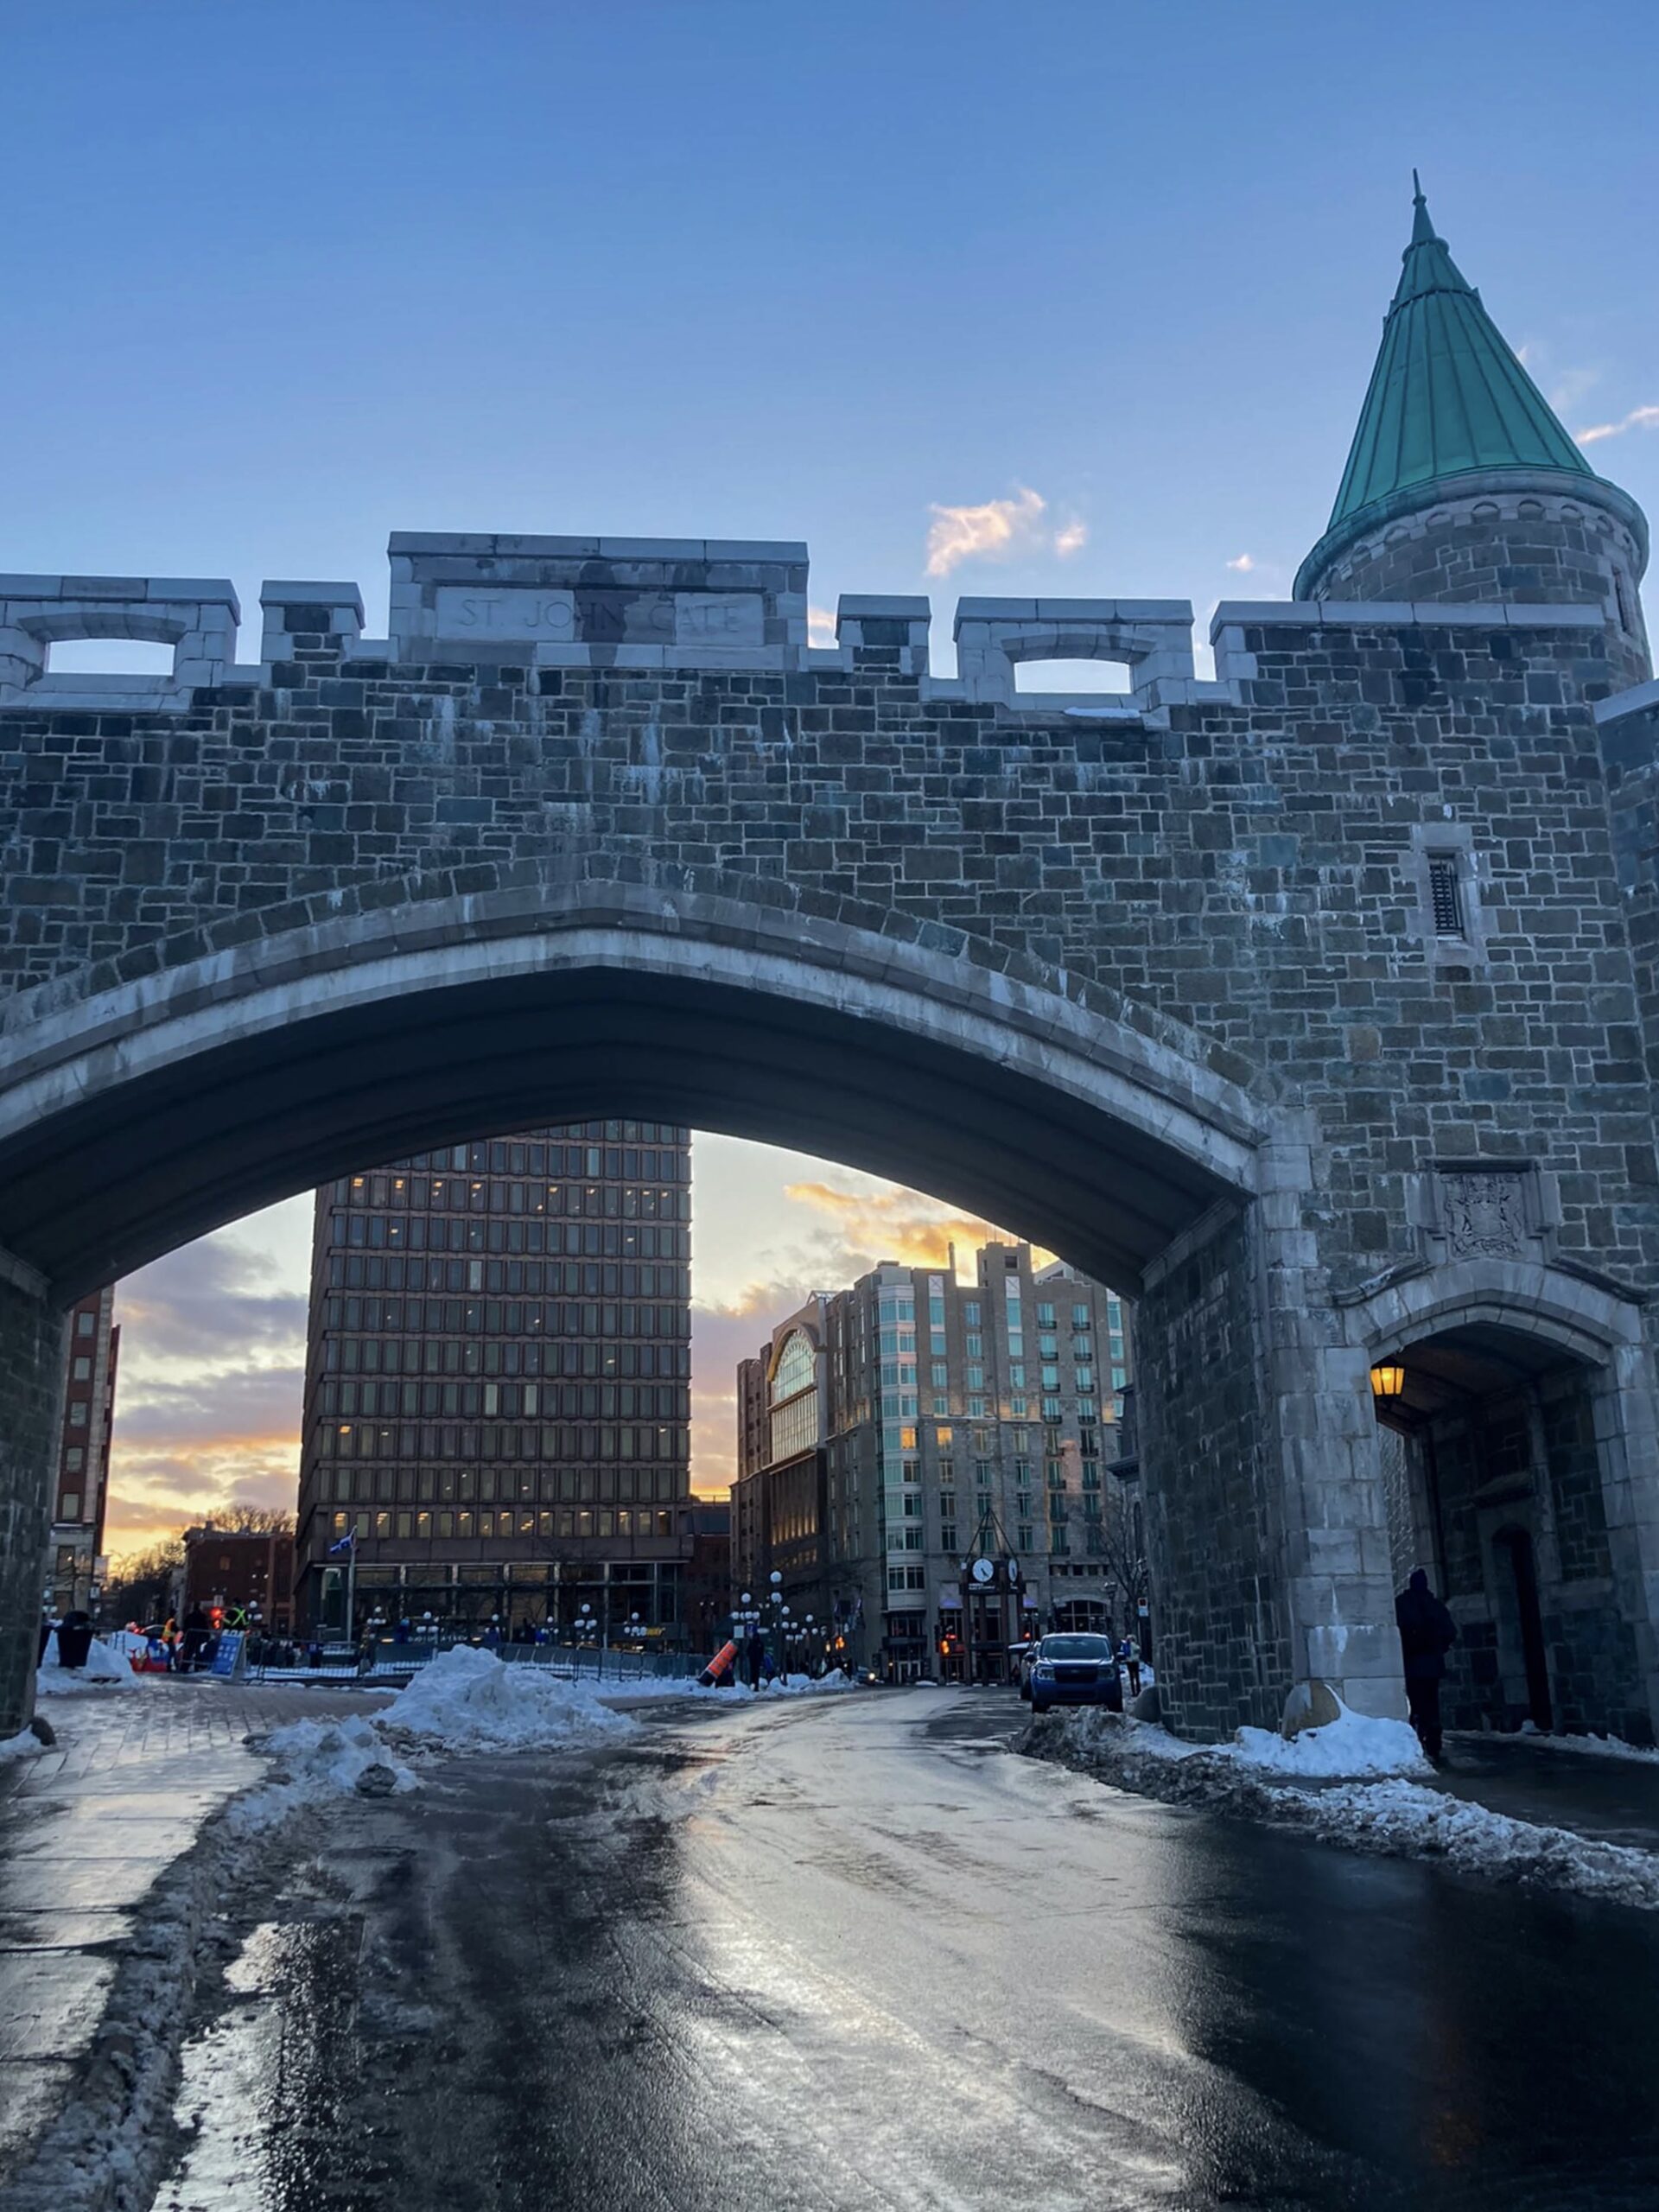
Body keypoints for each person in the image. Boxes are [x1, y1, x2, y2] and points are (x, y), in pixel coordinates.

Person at [1395, 1567, 1457, 1761]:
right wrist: (1439, 1648)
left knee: (1416, 1702)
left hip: (1412, 1664)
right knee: (1431, 1703)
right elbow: (1450, 1632)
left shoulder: (1402, 1604)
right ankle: (1433, 1740)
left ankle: (1417, 1736)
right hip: (1432, 1665)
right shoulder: (1435, 1606)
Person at [1116, 1634, 1141, 1698]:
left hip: (1129, 1662)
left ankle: (1133, 1691)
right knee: (1137, 1677)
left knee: (1131, 1677)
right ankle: (1138, 1690)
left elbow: (1123, 1652)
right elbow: (1139, 1649)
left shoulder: (1126, 1645)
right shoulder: (1133, 1644)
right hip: (1135, 1662)